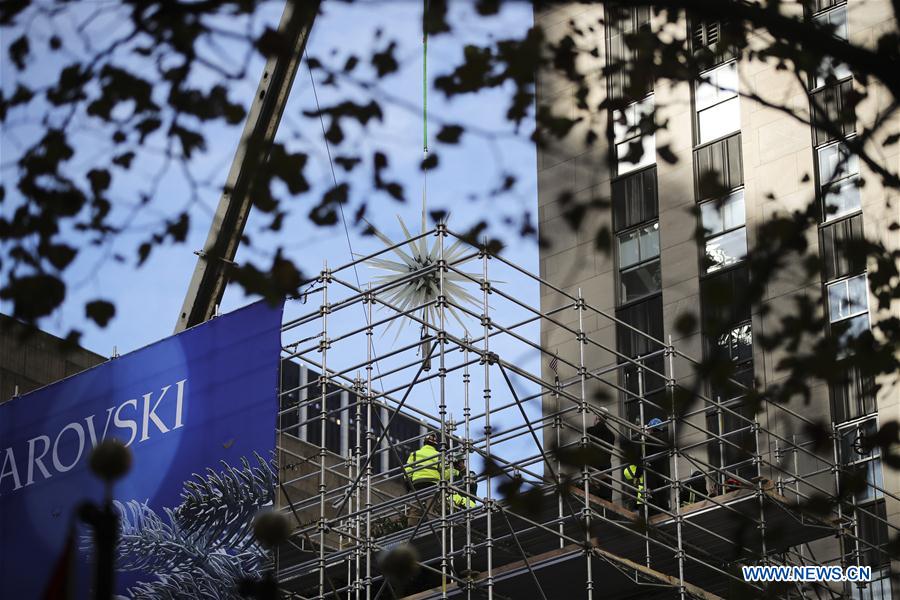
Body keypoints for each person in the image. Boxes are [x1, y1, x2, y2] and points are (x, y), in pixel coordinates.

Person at [403, 433, 455, 526]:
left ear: (424, 443)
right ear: (435, 444)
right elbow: (446, 473)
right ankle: (433, 526)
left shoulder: (415, 454)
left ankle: (411, 527)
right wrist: (447, 476)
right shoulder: (439, 455)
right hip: (432, 483)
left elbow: (407, 470)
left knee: (415, 508)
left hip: (417, 482)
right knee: (431, 508)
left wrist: (408, 483)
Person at [585, 410, 616, 502]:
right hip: (606, 468)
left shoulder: (590, 431)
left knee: (593, 496)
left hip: (594, 467)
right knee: (606, 496)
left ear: (597, 417)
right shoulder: (611, 435)